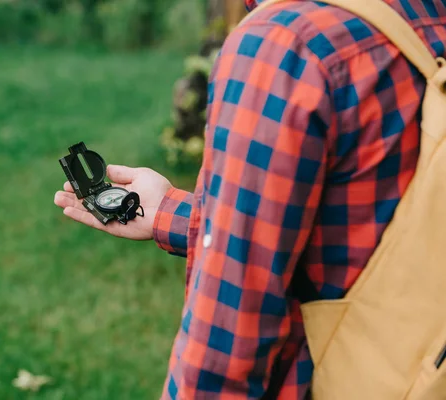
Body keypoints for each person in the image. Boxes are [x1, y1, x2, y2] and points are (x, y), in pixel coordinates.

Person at [54, 0, 446, 398]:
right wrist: (169, 213)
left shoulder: (283, 43)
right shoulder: (423, 14)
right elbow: (362, 219)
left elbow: (226, 341)